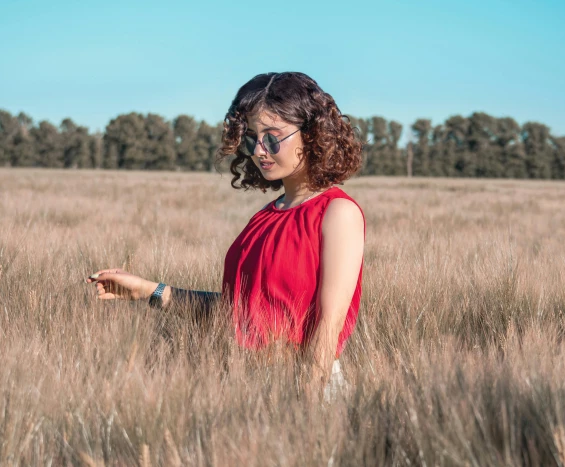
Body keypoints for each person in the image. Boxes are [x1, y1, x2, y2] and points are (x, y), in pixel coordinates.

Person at [86, 72, 365, 401]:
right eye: (252, 139)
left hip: (306, 389)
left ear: (311, 133)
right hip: (243, 388)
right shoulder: (264, 217)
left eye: (272, 138)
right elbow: (235, 314)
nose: (260, 151)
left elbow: (328, 327)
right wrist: (147, 290)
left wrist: (306, 410)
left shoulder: (338, 214)